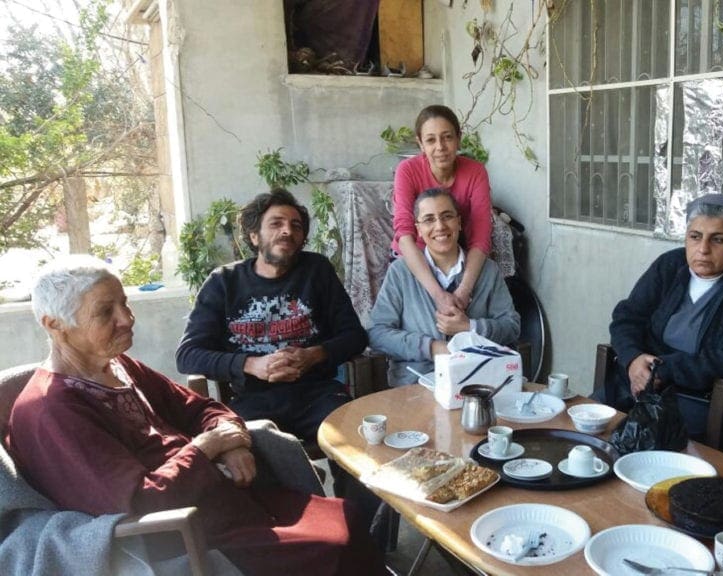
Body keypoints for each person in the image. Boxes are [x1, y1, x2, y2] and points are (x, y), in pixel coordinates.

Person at [7, 255, 387, 576]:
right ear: (54, 325)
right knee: (333, 546)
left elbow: (200, 407)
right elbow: (138, 501)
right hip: (183, 537)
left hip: (226, 501)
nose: (127, 318)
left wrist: (232, 443)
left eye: (125, 302)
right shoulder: (52, 410)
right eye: (106, 312)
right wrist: (206, 448)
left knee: (347, 516)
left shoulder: (119, 365)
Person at [175, 189, 367, 501]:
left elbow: (355, 336)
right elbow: (188, 355)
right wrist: (252, 365)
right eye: (276, 223)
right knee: (248, 458)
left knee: (361, 444)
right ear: (254, 236)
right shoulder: (224, 282)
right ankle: (297, 533)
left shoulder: (316, 271)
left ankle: (364, 535)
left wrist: (313, 355)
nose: (287, 230)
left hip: (317, 395)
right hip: (253, 400)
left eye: (296, 225)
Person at [601, 193, 723, 452]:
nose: (703, 249)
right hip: (639, 384)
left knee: (646, 449)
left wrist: (664, 370)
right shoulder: (670, 265)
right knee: (588, 431)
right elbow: (627, 317)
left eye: (718, 239)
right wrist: (633, 359)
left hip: (704, 399)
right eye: (695, 236)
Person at [370, 188, 520, 386]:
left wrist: (470, 328)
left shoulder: (487, 271)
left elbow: (511, 326)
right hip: (415, 385)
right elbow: (377, 333)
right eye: (429, 220)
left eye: (447, 216)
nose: (440, 226)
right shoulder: (401, 272)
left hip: (477, 383)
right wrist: (431, 348)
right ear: (418, 230)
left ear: (459, 222)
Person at [392, 104, 493, 315]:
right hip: (416, 255)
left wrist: (464, 290)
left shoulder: (475, 172)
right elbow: (404, 232)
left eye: (447, 137)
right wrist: (437, 294)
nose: (440, 147)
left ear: (458, 138)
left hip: (455, 253)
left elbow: (481, 234)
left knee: (471, 314)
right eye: (430, 140)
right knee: (420, 319)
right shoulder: (407, 171)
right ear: (420, 143)